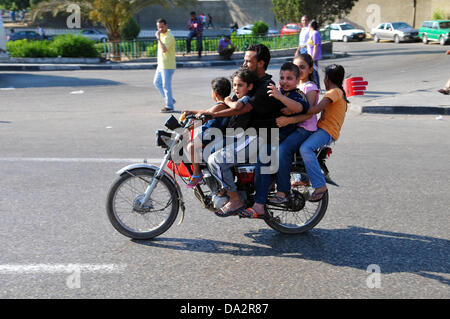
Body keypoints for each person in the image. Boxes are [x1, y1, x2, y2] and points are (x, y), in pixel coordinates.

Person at [200, 44, 308, 218]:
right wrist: (207, 112)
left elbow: (240, 109)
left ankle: (239, 200)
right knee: (210, 150)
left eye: (248, 61)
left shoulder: (266, 87)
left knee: (219, 160)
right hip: (244, 134)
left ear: (260, 63)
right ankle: (229, 189)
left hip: (261, 136)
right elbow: (232, 101)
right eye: (244, 60)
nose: (244, 64)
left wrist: (208, 113)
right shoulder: (251, 81)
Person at [270, 53, 319, 204]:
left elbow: (307, 113)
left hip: (305, 128)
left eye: (302, 67)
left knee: (283, 150)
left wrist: (289, 117)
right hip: (293, 126)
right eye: (296, 67)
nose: (299, 70)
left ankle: (283, 191)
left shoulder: (309, 87)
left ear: (310, 69)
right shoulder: (289, 87)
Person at [300, 64, 349, 202]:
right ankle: (302, 178)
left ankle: (320, 186)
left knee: (305, 148)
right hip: (322, 129)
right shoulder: (339, 92)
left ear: (327, 78)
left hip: (326, 131)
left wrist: (297, 111)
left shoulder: (334, 92)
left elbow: (316, 109)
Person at [182, 77, 233, 188]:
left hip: (212, 134)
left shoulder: (220, 105)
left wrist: (192, 121)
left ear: (215, 93)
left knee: (191, 146)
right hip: (213, 133)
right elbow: (206, 112)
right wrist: (191, 112)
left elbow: (205, 115)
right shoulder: (224, 105)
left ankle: (196, 174)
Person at [153, 18, 176, 113]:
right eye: (158, 27)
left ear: (166, 25)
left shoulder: (169, 36)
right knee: (156, 83)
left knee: (166, 86)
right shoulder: (162, 35)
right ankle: (170, 99)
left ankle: (169, 106)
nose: (160, 29)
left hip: (168, 65)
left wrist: (158, 38)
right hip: (161, 65)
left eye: (162, 26)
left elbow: (164, 49)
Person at [307, 19, 322, 90]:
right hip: (310, 55)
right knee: (311, 71)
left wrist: (313, 57)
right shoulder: (311, 33)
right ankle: (313, 84)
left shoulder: (315, 33)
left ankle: (317, 85)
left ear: (311, 25)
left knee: (315, 71)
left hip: (314, 56)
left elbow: (316, 45)